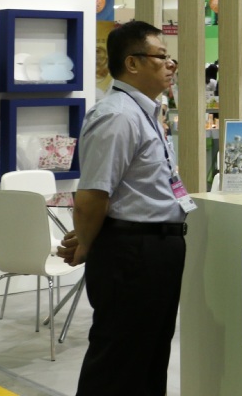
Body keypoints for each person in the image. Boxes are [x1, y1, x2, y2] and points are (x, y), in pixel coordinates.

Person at [57, 20, 190, 396]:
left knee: (149, 357)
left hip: (156, 249)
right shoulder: (117, 115)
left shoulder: (145, 111)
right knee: (117, 362)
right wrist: (86, 242)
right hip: (132, 253)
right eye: (161, 56)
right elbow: (92, 195)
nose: (170, 64)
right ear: (132, 63)